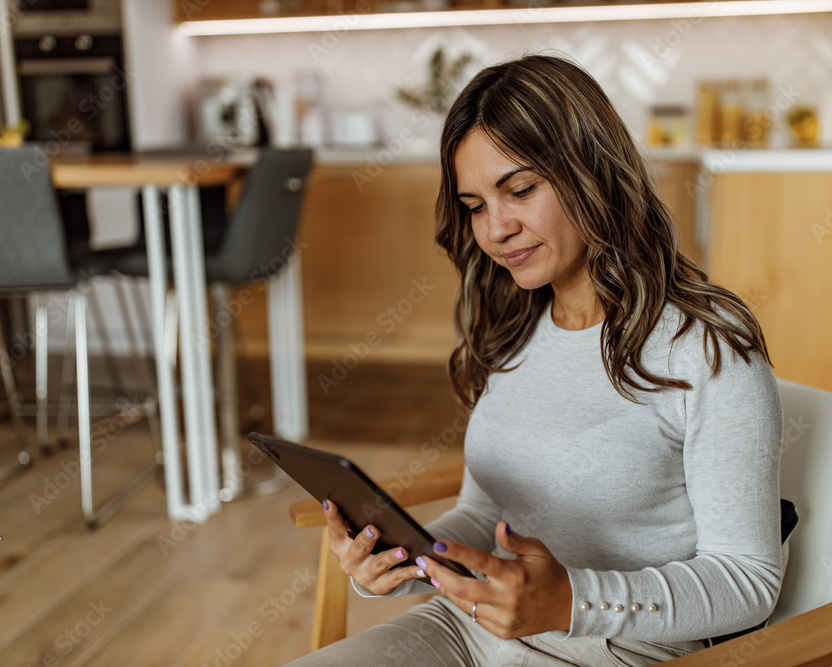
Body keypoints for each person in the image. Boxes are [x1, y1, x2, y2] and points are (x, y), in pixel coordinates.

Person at [283, 54, 783, 666]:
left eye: (519, 190)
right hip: (470, 626)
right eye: (474, 205)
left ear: (593, 172)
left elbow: (748, 581)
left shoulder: (706, 346)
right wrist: (405, 561)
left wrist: (572, 602)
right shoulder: (512, 327)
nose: (495, 231)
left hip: (613, 649)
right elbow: (485, 512)